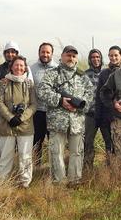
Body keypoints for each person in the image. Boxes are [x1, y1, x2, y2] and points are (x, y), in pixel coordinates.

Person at [37, 45, 94, 185]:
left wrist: (79, 108)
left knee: (77, 152)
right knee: (56, 152)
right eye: (68, 55)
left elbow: (90, 94)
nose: (71, 58)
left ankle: (75, 180)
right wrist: (60, 101)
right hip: (57, 121)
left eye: (74, 56)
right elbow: (42, 91)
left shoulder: (83, 76)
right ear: (62, 56)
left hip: (77, 121)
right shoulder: (52, 73)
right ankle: (59, 181)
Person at [0, 56, 37, 187]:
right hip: (6, 126)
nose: (19, 68)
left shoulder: (30, 84)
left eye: (21, 65)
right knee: (5, 155)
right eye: (16, 65)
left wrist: (21, 118)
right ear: (11, 67)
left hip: (25, 127)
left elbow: (34, 104)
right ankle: (2, 181)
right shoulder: (3, 83)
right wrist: (10, 117)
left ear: (25, 67)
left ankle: (25, 183)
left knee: (25, 156)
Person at [94, 46, 121, 165]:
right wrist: (98, 116)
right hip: (106, 115)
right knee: (109, 144)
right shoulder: (104, 73)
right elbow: (99, 95)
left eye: (116, 55)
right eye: (111, 55)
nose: (113, 57)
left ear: (120, 55)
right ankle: (110, 169)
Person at [30, 42, 58, 166]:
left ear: (52, 54)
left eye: (48, 52)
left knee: (54, 142)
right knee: (36, 142)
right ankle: (36, 168)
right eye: (43, 52)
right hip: (37, 112)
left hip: (53, 112)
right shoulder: (32, 69)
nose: (45, 54)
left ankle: (54, 169)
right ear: (39, 53)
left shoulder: (58, 69)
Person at [83, 48, 104, 169]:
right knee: (88, 142)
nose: (96, 59)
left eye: (98, 57)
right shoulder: (84, 74)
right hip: (90, 114)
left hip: (104, 114)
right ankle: (88, 167)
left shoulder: (107, 73)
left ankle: (111, 167)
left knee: (110, 141)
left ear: (101, 59)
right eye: (93, 57)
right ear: (90, 59)